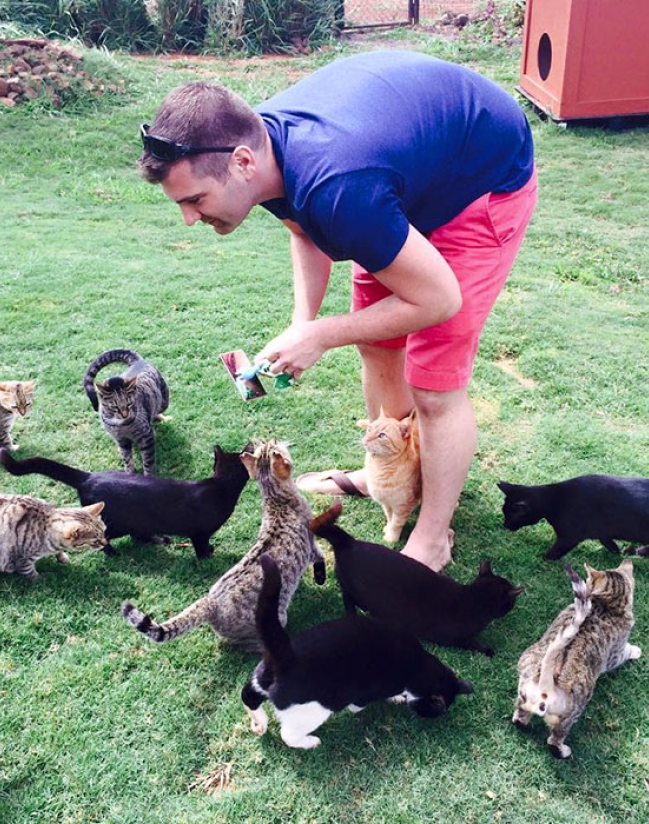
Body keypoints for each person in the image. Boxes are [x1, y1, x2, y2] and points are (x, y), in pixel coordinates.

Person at [138, 50, 537, 571]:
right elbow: (304, 227)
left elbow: (440, 300)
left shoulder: (339, 186)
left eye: (195, 199)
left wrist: (324, 334)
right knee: (377, 341)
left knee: (434, 384)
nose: (190, 219)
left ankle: (433, 535)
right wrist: (305, 322)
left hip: (479, 181)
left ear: (241, 163)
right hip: (396, 182)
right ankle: (386, 473)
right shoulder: (266, 156)